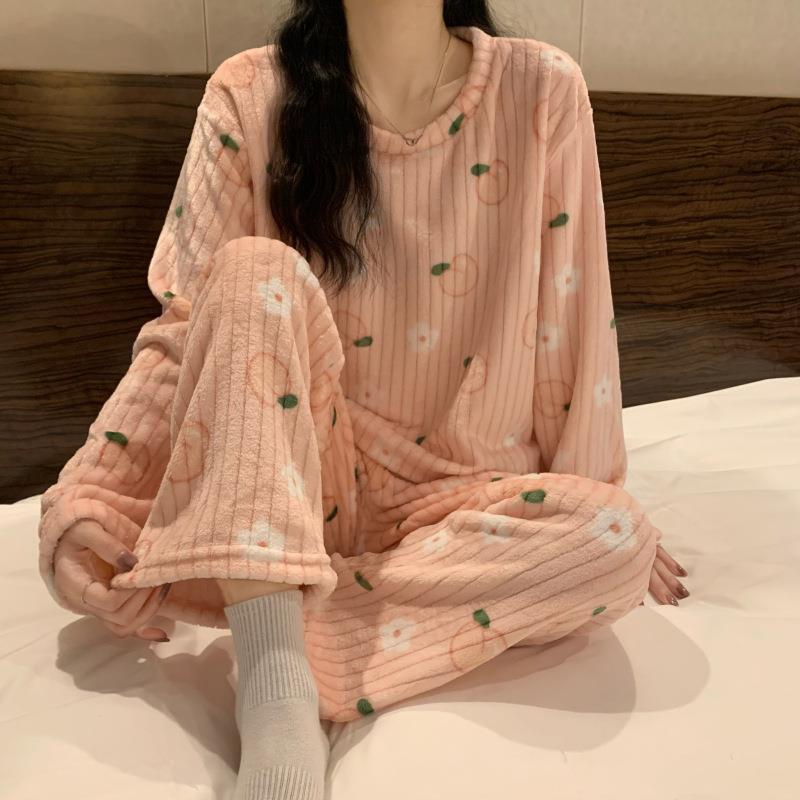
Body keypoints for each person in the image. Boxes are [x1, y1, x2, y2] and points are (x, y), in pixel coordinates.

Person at [37, 2, 691, 798]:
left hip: (465, 501)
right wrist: (90, 491)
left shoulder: (542, 90)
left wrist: (597, 501)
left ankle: (272, 617)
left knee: (615, 538)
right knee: (250, 274)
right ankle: (277, 696)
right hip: (300, 483)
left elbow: (573, 311)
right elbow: (191, 328)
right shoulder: (249, 94)